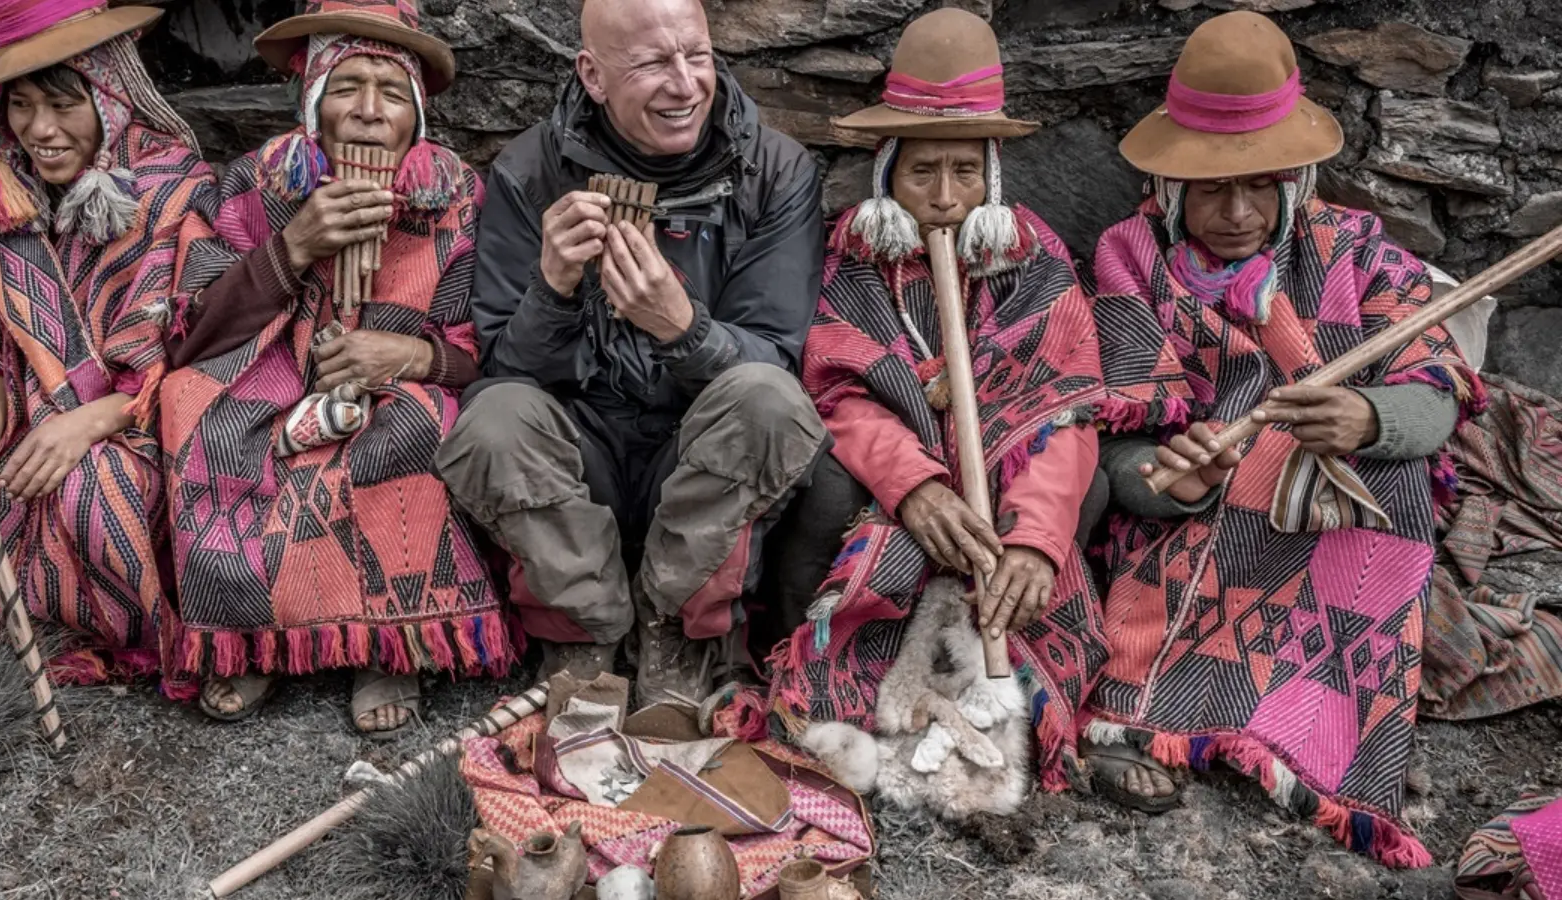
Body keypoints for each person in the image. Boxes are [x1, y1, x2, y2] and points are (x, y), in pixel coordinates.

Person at [1088, 12, 1479, 865]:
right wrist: (1171, 475)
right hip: (1195, 518)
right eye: (1210, 188)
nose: (1236, 213)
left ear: (1294, 181)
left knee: (1397, 476)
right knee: (1206, 498)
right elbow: (1114, 439)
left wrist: (1368, 418)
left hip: (1325, 508)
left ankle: (1316, 732)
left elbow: (1438, 391)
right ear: (1170, 185)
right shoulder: (1129, 258)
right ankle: (1151, 716)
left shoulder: (1352, 250)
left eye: (1260, 186)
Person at [433, 0, 829, 708]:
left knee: (770, 402)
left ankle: (678, 633)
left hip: (700, 453)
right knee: (495, 418)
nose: (685, 84)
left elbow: (776, 358)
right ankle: (581, 639)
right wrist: (552, 289)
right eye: (652, 63)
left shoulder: (776, 171)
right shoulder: (529, 171)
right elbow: (505, 372)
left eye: (697, 55)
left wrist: (683, 328)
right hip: (583, 458)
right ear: (593, 75)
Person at [766, 8, 1109, 788]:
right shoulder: (852, 259)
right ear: (887, 173)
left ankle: (1008, 686)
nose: (946, 198)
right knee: (826, 489)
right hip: (890, 485)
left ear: (992, 177)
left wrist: (1037, 538)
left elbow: (1066, 405)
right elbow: (835, 391)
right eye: (923, 174)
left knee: (1082, 496)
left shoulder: (1033, 259)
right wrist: (914, 486)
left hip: (1004, 490)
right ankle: (826, 687)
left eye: (965, 172)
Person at [159, 0, 509, 731]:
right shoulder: (253, 184)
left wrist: (413, 355)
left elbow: (495, 349)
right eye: (346, 87)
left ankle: (389, 643)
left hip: (400, 391)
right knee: (200, 413)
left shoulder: (457, 198)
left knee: (414, 427)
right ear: (314, 100)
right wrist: (292, 248)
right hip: (268, 383)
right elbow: (192, 335)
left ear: (417, 113)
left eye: (392, 93)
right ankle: (253, 636)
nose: (369, 112)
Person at [0, 0, 224, 683]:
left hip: (145, 423)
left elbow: (191, 353)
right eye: (20, 105)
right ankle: (50, 632)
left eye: (62, 104)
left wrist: (84, 425)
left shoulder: (175, 191)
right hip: (27, 420)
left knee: (95, 490)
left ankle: (142, 635)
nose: (40, 130)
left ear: (110, 94)